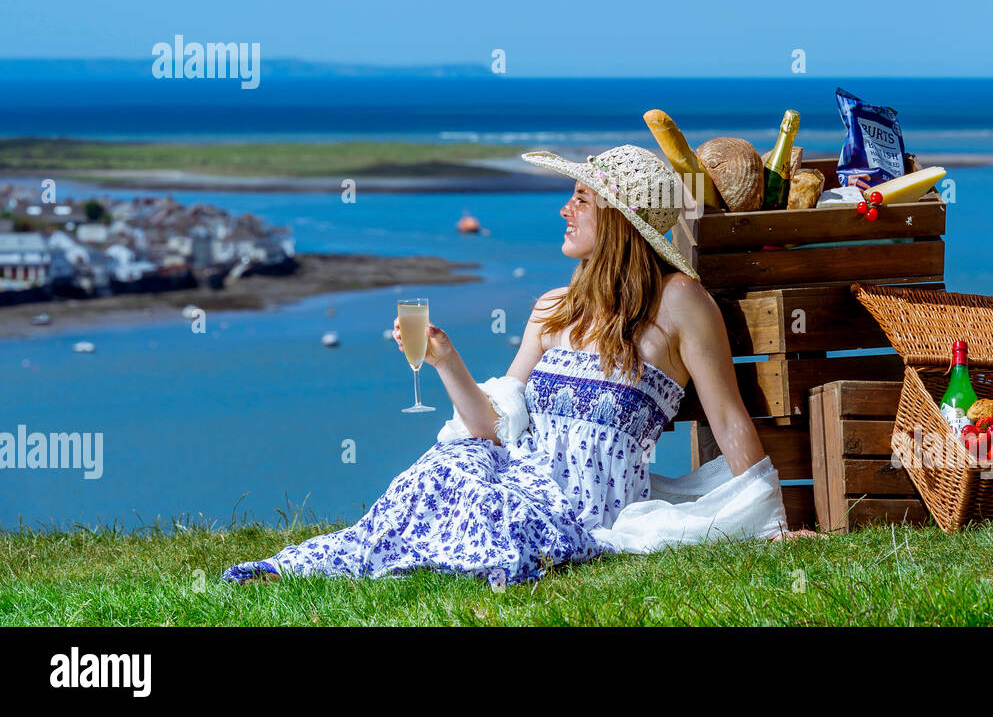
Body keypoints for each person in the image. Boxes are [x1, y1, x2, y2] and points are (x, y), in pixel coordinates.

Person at [222, 144, 814, 587]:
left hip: (588, 510)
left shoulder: (683, 303)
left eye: (581, 199)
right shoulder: (552, 310)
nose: (565, 210)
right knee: (442, 472)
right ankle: (304, 568)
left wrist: (769, 521)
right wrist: (446, 360)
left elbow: (729, 416)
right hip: (522, 476)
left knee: (491, 522)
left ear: (616, 217)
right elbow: (492, 426)